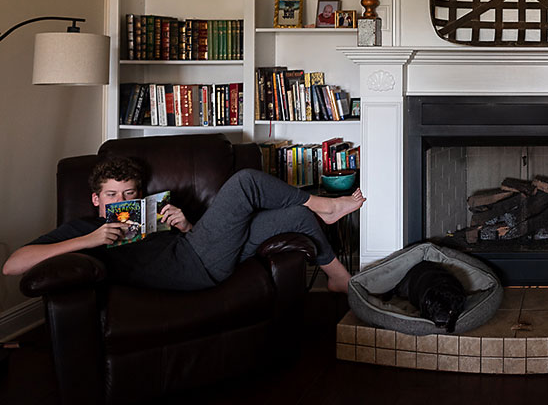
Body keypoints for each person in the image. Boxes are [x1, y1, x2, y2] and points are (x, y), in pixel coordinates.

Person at [2, 157, 364, 293]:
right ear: (96, 199)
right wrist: (89, 240)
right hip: (192, 269)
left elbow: (195, 244)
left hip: (197, 251)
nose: (120, 201)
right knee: (246, 182)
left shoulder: (152, 213)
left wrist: (188, 226)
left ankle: (338, 279)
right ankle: (327, 207)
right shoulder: (81, 227)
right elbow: (12, 265)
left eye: (128, 193)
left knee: (295, 217)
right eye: (111, 195)